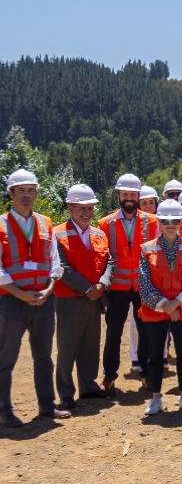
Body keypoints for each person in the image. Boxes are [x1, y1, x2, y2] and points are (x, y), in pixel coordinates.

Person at [0, 169, 69, 427]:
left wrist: (49, 289)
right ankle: (3, 410)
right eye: (21, 191)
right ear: (11, 194)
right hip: (11, 301)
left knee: (43, 355)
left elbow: (54, 260)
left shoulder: (45, 222)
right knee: (6, 357)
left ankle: (46, 406)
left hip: (43, 298)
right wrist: (20, 293)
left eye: (31, 191)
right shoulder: (1, 224)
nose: (27, 196)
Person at [137, 199, 182, 415]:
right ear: (159, 222)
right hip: (157, 311)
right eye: (165, 220)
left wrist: (177, 304)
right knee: (155, 355)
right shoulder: (146, 249)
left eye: (175, 220)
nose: (170, 224)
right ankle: (155, 399)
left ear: (181, 221)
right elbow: (144, 283)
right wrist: (166, 306)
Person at [96, 172, 158, 393]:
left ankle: (146, 375)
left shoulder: (153, 222)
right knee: (113, 333)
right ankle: (109, 377)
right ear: (119, 196)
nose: (129, 198)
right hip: (117, 288)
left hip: (143, 287)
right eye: (125, 194)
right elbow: (102, 258)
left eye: (133, 194)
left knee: (146, 332)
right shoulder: (105, 224)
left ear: (139, 195)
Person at [52, 185, 112, 410]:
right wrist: (87, 288)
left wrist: (102, 284)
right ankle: (66, 394)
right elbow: (61, 266)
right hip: (69, 299)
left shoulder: (99, 234)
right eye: (81, 208)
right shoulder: (57, 234)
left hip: (95, 299)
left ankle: (88, 385)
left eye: (90, 208)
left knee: (90, 345)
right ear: (70, 208)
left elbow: (109, 262)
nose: (87, 213)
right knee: (67, 348)